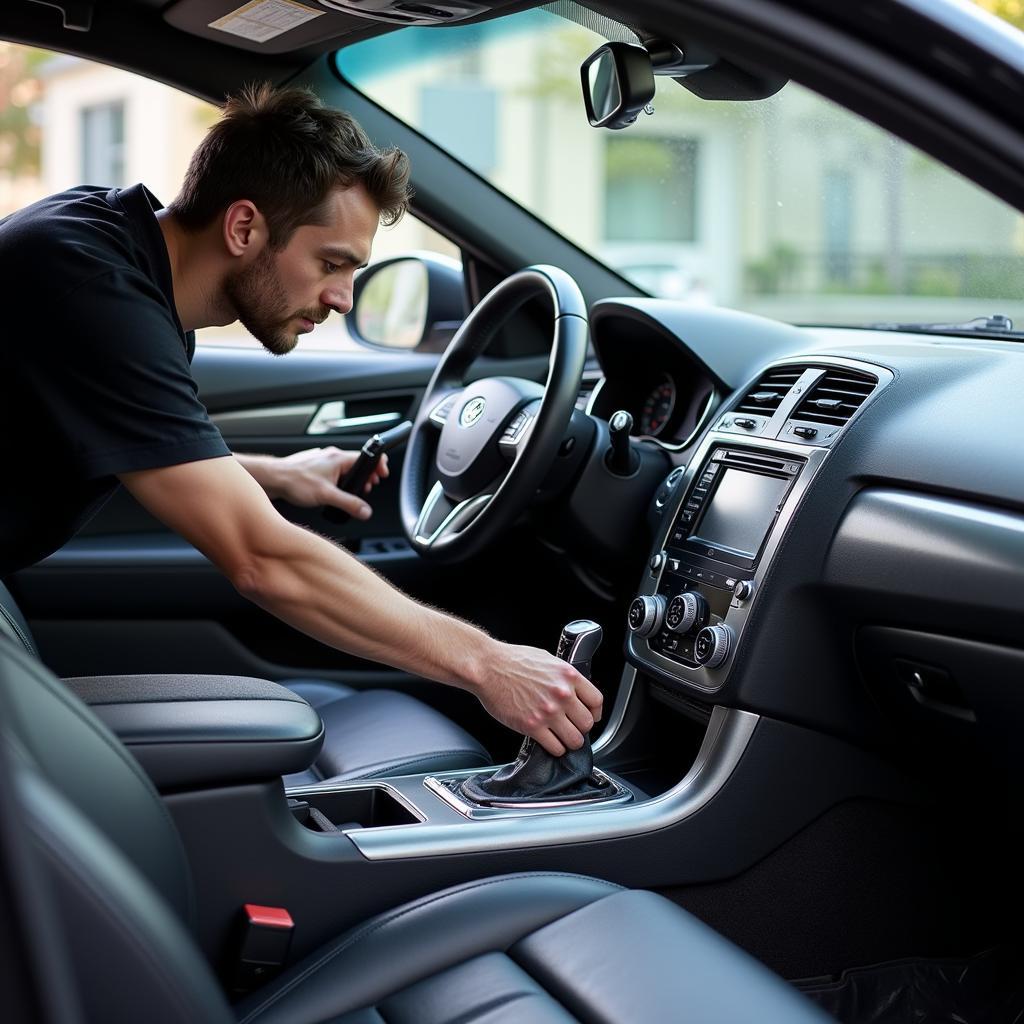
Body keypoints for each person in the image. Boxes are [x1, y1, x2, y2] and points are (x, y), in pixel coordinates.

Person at [0, 84, 602, 757]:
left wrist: (275, 474)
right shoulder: (91, 289)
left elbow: (116, 439)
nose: (343, 298)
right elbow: (263, 560)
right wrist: (487, 664)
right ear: (243, 228)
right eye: (331, 263)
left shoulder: (113, 248)